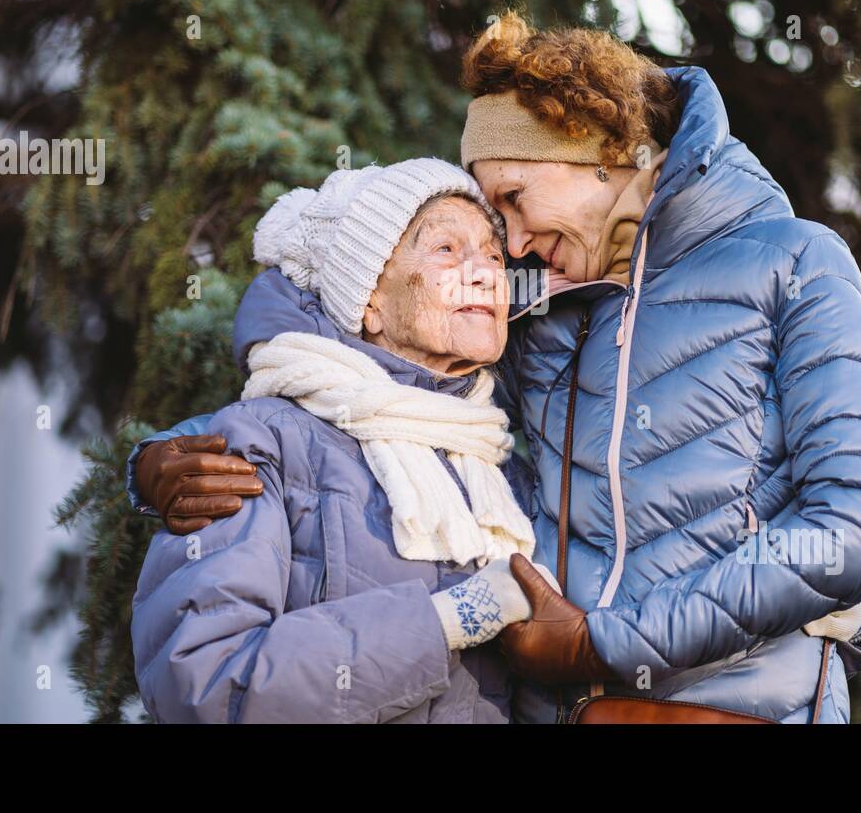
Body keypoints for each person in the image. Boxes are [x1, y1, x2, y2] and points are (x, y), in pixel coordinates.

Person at [134, 12, 861, 723]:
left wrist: (606, 643)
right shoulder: (544, 300)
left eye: (511, 198)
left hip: (737, 710)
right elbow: (360, 353)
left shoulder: (794, 263)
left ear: (597, 149)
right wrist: (172, 460)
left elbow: (857, 522)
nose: (510, 243)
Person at [131, 158, 557, 723]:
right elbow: (205, 685)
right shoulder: (261, 445)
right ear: (369, 302)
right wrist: (450, 619)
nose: (483, 273)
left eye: (494, 255)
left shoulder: (503, 472)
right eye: (446, 251)